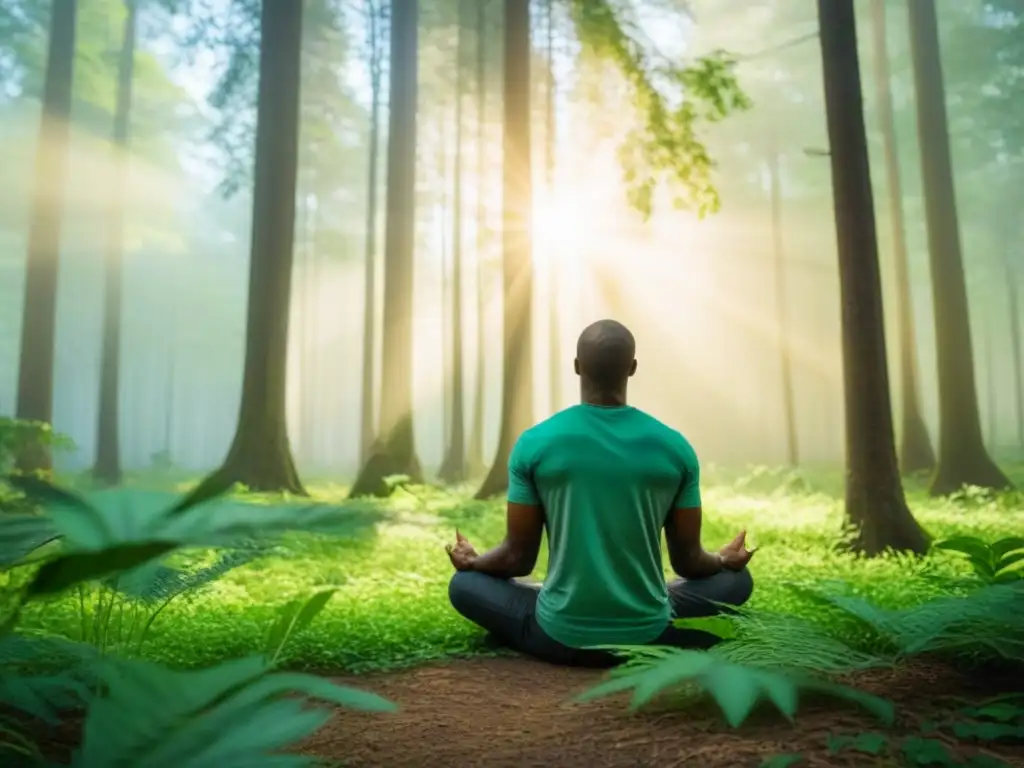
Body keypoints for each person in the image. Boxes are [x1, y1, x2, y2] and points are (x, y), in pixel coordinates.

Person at [445, 319, 755, 667]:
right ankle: (646, 611)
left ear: (577, 367)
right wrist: (723, 560)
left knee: (464, 585)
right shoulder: (674, 447)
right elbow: (689, 562)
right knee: (737, 582)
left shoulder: (535, 443)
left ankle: (546, 622)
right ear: (632, 368)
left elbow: (518, 558)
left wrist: (473, 562)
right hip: (649, 633)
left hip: (559, 636)